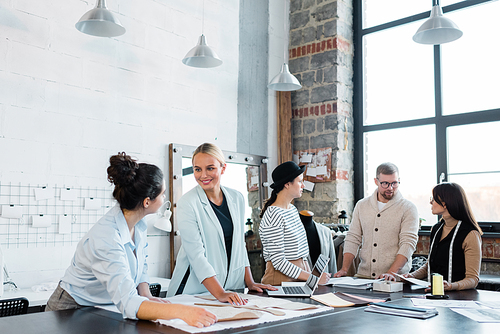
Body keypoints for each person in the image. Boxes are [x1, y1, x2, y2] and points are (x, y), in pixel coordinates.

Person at [46, 152, 216, 328]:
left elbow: (140, 264)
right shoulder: (107, 237)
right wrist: (182, 312)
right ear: (147, 202)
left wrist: (146, 294)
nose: (165, 198)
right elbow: (128, 302)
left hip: (102, 307)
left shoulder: (139, 223)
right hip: (70, 309)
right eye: (162, 194)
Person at [167, 143, 275, 303]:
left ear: (222, 168)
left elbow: (240, 245)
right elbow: (196, 255)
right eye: (197, 169)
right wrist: (220, 293)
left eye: (210, 168)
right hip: (193, 290)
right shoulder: (187, 203)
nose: (203, 175)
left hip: (230, 287)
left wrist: (249, 282)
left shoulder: (237, 198)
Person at [334, 162, 419, 281]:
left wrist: (390, 273)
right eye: (385, 183)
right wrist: (344, 269)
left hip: (395, 280)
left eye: (394, 183)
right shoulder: (362, 205)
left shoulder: (408, 208)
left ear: (399, 180)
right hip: (364, 277)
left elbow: (408, 244)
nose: (390, 188)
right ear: (376, 181)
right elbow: (353, 238)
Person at [259, 161, 331, 285]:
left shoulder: (292, 210)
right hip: (281, 280)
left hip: (299, 276)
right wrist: (313, 279)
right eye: (299, 181)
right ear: (287, 184)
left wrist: (311, 276)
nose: (303, 185)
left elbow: (300, 254)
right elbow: (278, 262)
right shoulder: (273, 214)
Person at [404, 183, 483, 291]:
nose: (430, 202)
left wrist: (451, 286)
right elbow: (429, 266)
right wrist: (411, 276)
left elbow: (473, 279)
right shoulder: (436, 229)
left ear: (445, 204)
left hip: (460, 299)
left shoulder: (470, 234)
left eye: (434, 199)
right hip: (435, 294)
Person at [299, 210, 338, 275]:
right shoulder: (293, 232)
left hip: (324, 281)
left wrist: (333, 281)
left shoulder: (326, 232)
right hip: (301, 281)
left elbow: (332, 261)